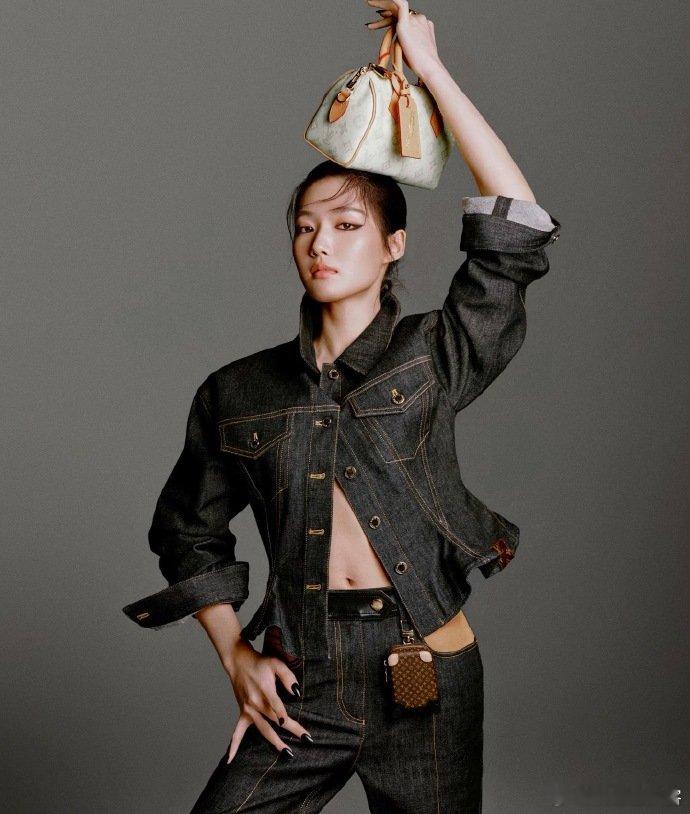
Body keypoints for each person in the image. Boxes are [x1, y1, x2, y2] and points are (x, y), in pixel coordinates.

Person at [122, 1, 561, 811]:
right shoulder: (238, 392)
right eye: (304, 228)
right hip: (306, 676)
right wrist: (236, 658)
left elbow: (516, 230)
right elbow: (188, 533)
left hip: (426, 669)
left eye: (347, 224)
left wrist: (431, 70)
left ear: (394, 245)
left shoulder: (432, 355)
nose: (320, 243)